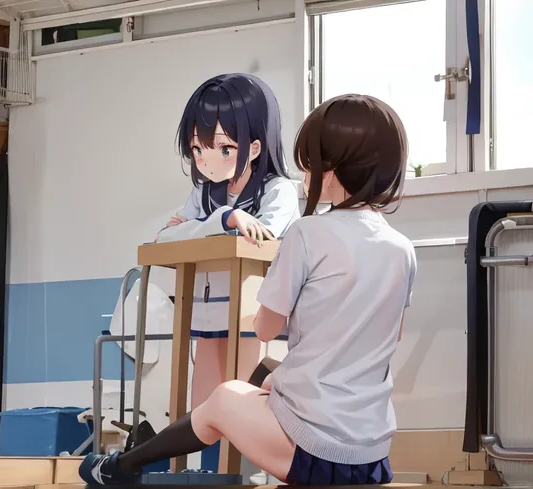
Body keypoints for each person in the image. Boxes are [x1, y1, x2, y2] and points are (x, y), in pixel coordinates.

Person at [79, 93, 417, 486]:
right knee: (267, 381)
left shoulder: (309, 233)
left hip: (315, 451)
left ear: (333, 167)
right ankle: (130, 464)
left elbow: (266, 328)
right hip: (372, 454)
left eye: (309, 164)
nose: (303, 175)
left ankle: (122, 468)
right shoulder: (402, 249)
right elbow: (391, 335)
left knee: (223, 399)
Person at [153, 73, 301, 470]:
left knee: (247, 408)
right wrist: (226, 218)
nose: (205, 160)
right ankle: (196, 474)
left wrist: (211, 224)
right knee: (203, 411)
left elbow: (264, 239)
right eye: (197, 148)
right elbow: (163, 241)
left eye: (222, 148)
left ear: (253, 147)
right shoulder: (205, 193)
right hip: (208, 317)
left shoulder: (279, 192)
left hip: (256, 319)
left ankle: (244, 476)